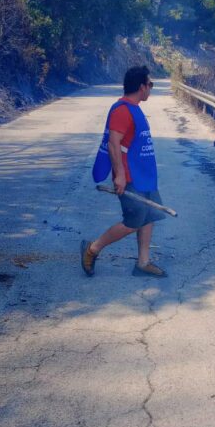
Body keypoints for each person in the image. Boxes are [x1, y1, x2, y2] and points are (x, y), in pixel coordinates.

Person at [81, 65, 167, 277]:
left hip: (145, 177)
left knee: (149, 216)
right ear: (142, 87)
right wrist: (119, 175)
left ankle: (143, 263)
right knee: (133, 221)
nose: (151, 88)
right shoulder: (122, 110)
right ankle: (92, 249)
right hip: (131, 177)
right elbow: (113, 144)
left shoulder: (135, 108)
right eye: (150, 84)